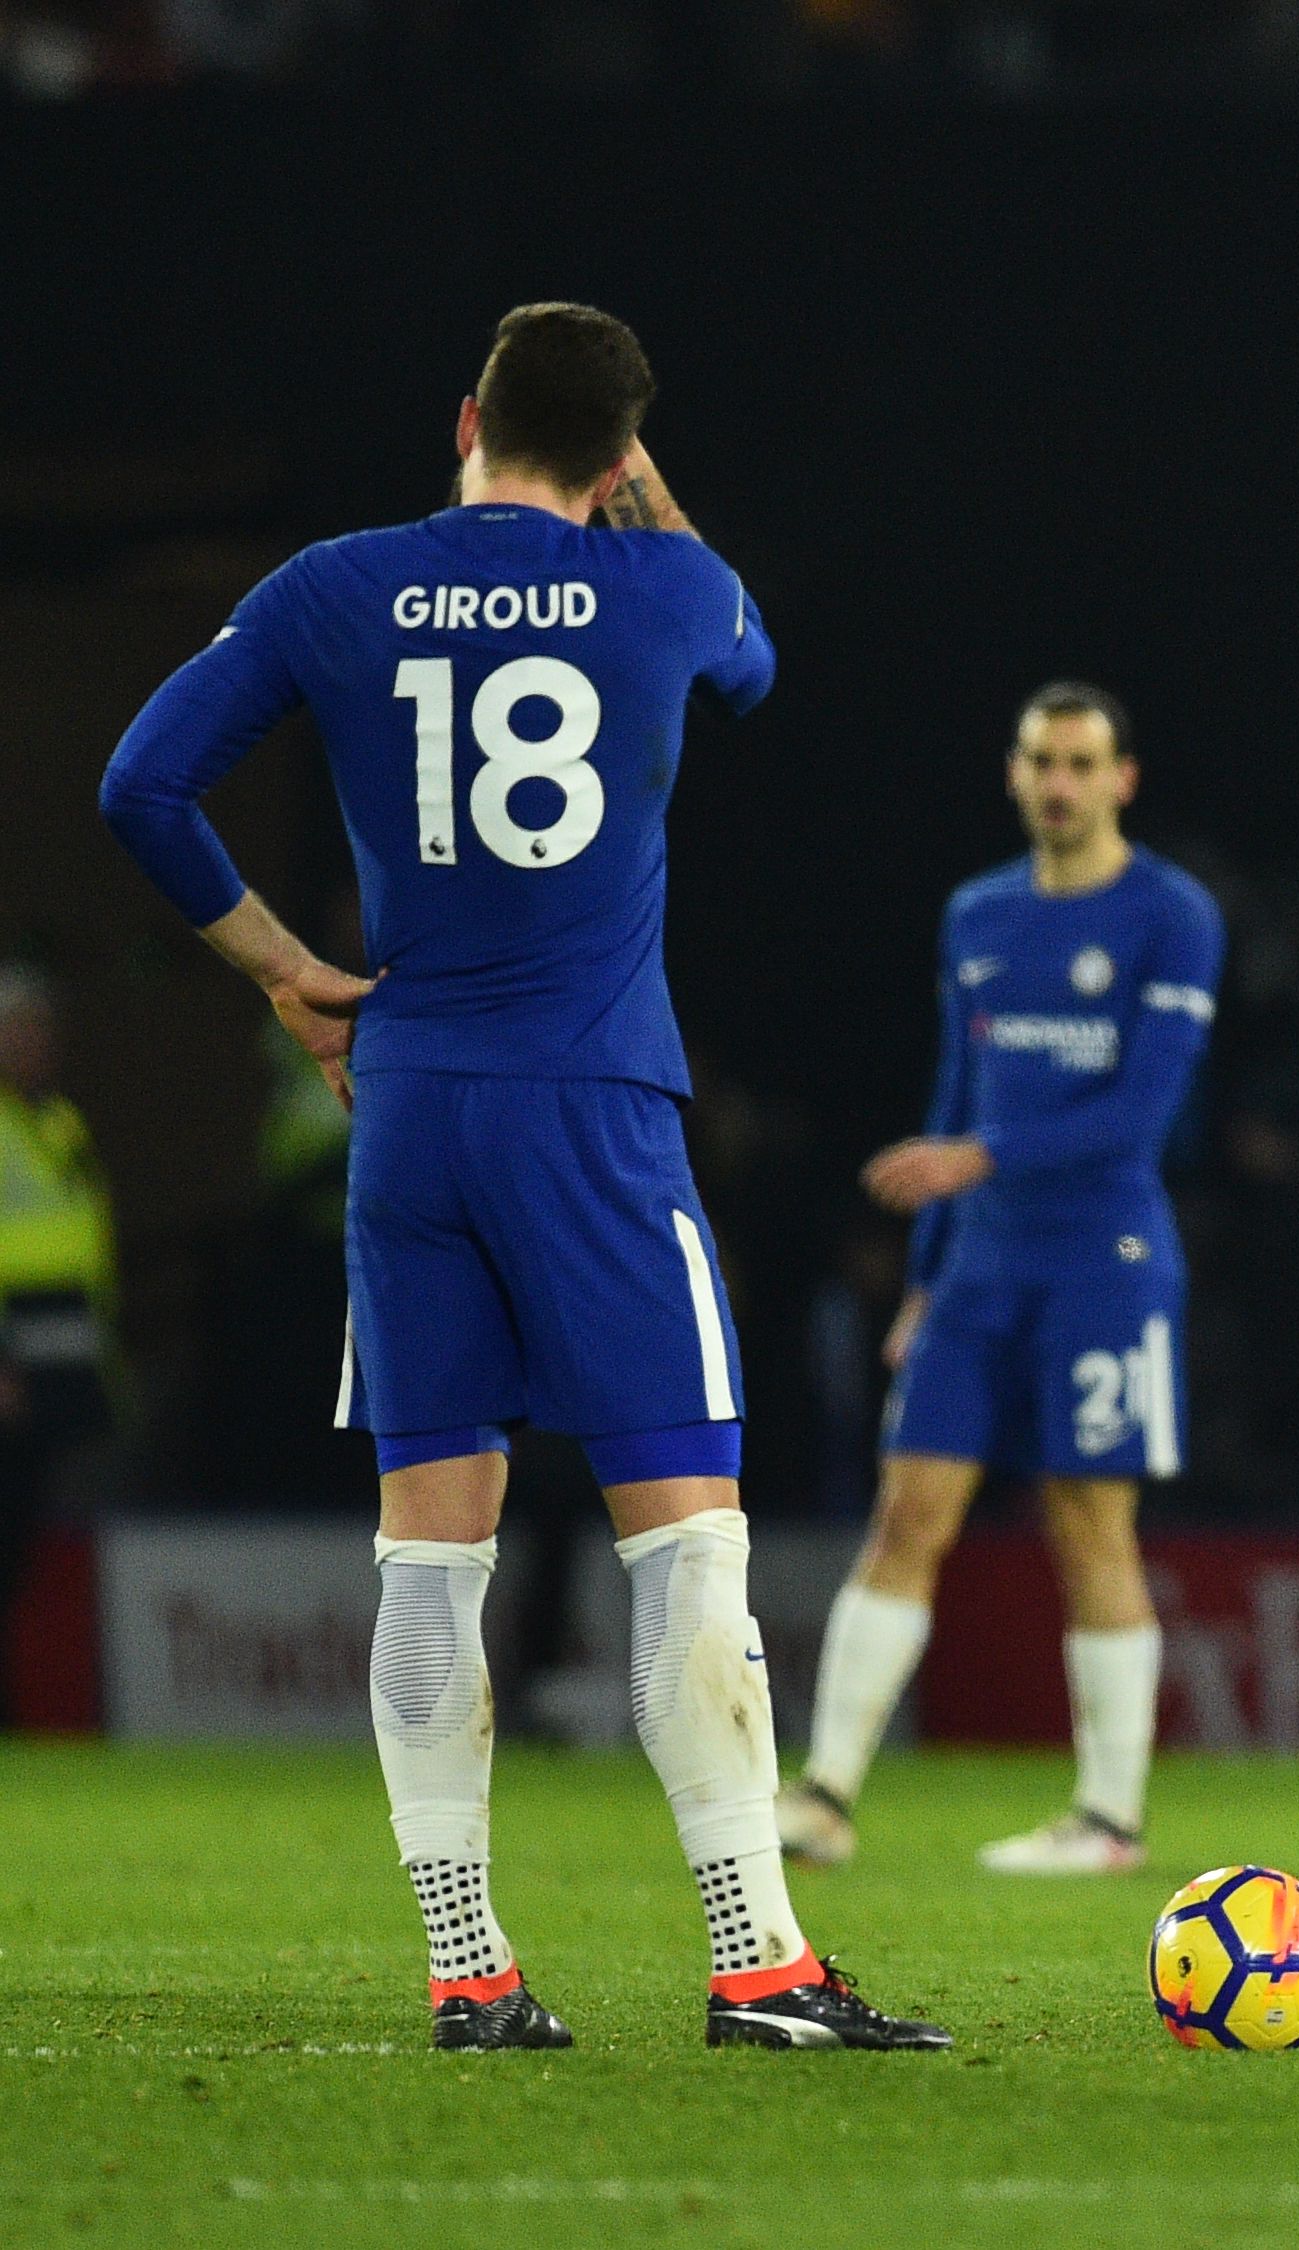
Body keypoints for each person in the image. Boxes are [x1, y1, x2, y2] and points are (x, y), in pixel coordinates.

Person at [96, 303, 945, 2053]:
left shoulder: (336, 582)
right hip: (593, 1111)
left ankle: (471, 1971)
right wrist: (653, 498)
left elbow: (142, 784)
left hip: (408, 1108)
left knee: (430, 1557)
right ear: (623, 453)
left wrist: (278, 967)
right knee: (687, 1542)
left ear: (464, 417)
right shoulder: (665, 589)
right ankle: (757, 1963)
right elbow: (756, 662)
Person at [777, 681, 1221, 1876]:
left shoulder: (1173, 916)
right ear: (1015, 774)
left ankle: (1110, 1819)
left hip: (1105, 1263)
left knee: (1089, 1521)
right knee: (907, 1512)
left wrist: (973, 1161)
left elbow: (1138, 1117)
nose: (1059, 784)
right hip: (977, 1268)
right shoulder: (976, 915)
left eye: (1081, 762)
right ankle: (824, 1797)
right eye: (1040, 761)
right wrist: (923, 1275)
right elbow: (952, 1100)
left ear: (1122, 778)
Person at [0, 968, 116, 1718]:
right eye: (20, 1027)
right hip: (11, 1368)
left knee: (21, 1550)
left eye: (43, 1026)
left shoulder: (61, 1124)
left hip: (59, 1371)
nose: (36, 1042)